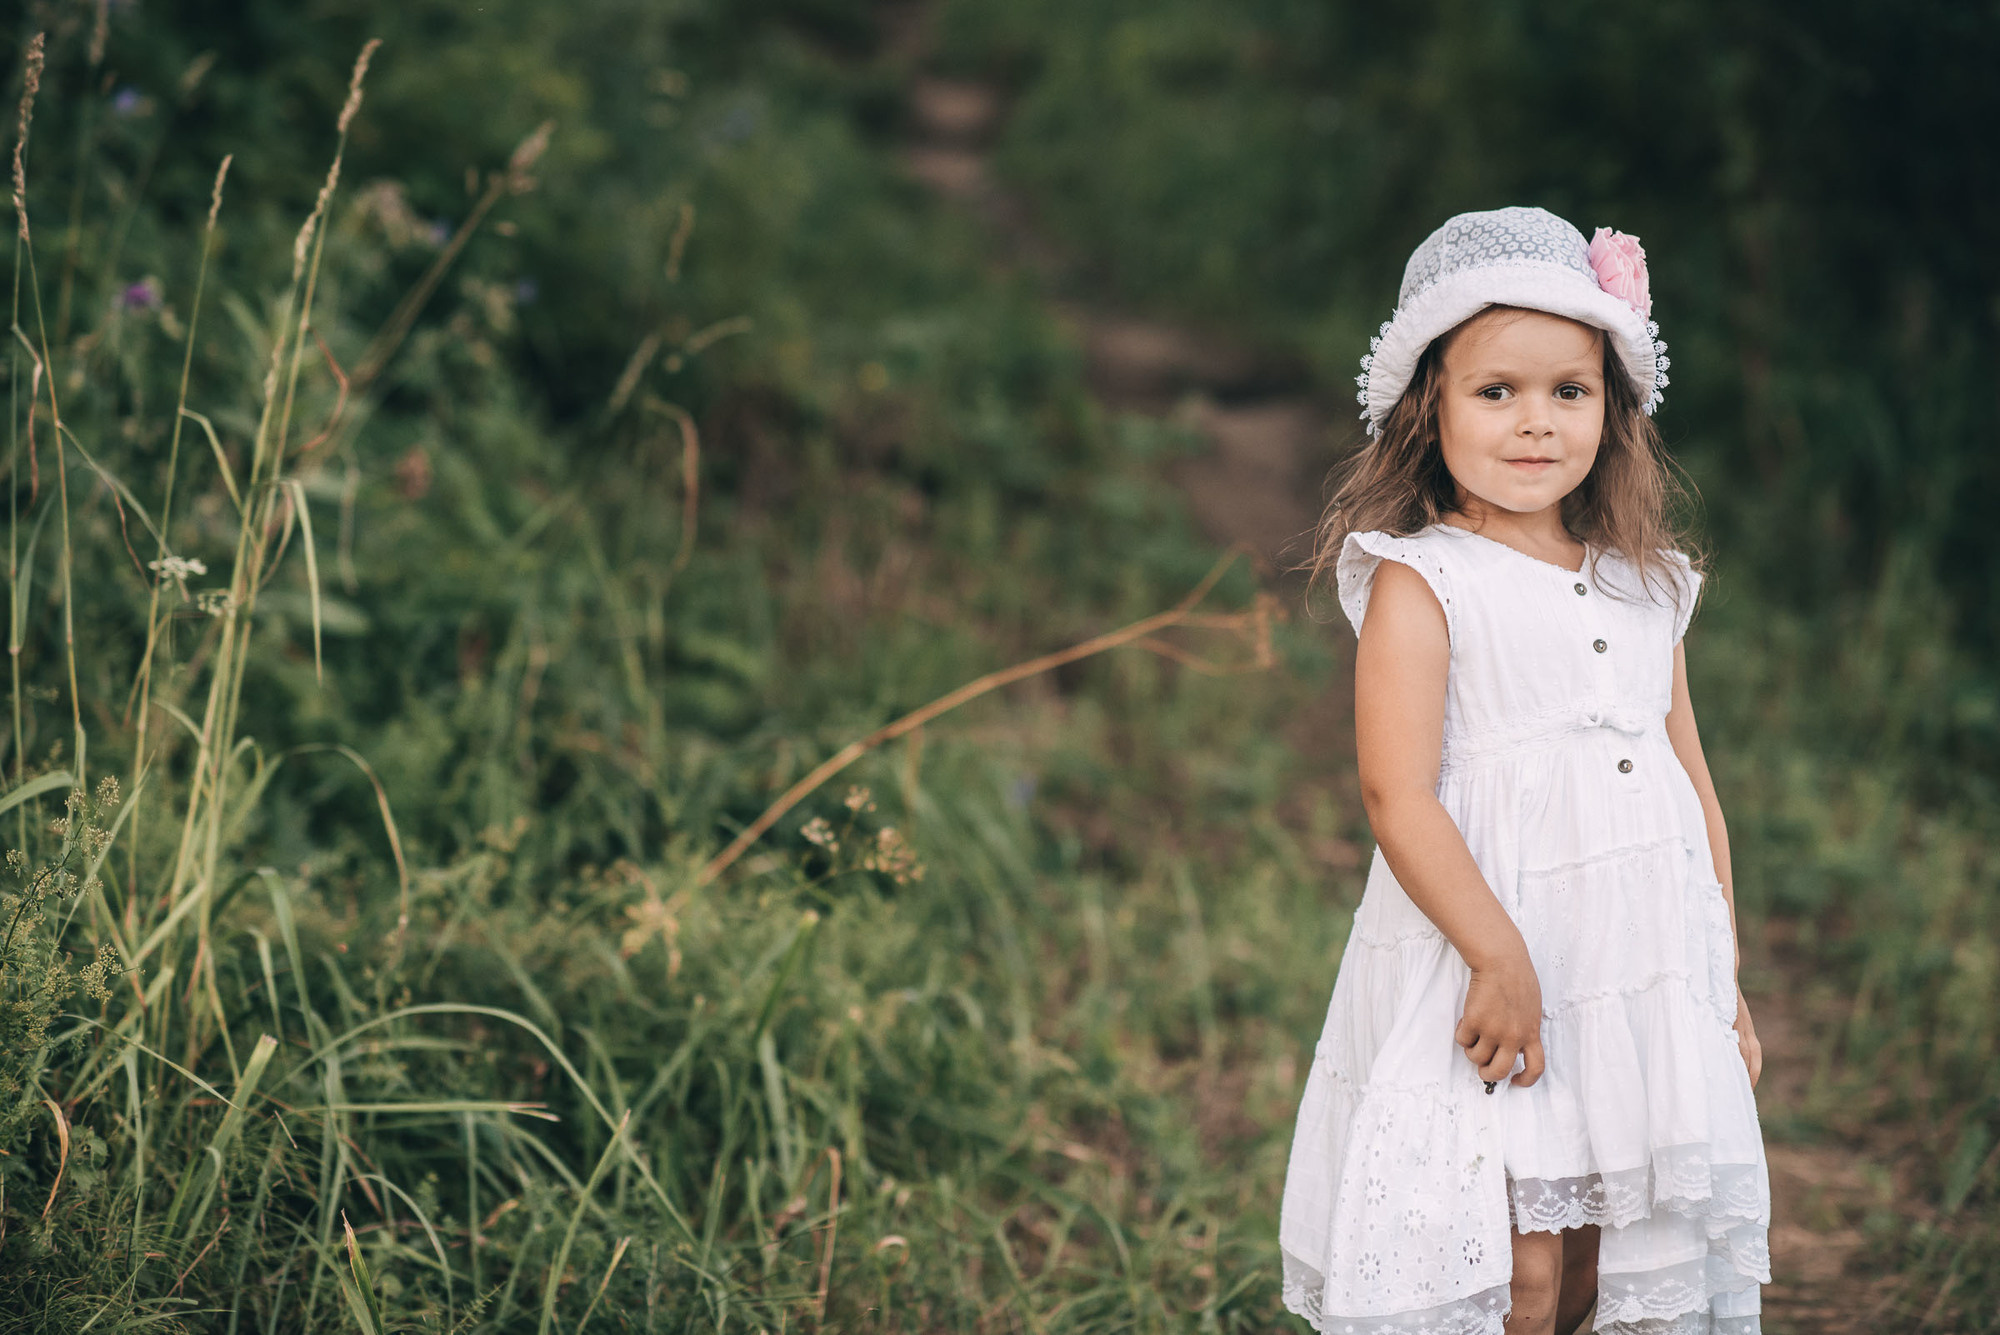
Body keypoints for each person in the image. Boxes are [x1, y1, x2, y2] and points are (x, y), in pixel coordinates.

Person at [1278, 207, 1770, 1335]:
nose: (1534, 422)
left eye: (1568, 391)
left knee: (1602, 1262)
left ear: (1611, 408)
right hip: (1490, 973)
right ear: (1428, 410)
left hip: (1632, 974)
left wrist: (1717, 973)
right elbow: (1395, 793)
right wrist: (1495, 957)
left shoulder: (1648, 583)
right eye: (1494, 392)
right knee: (1516, 1275)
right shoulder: (1422, 578)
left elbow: (1689, 786)